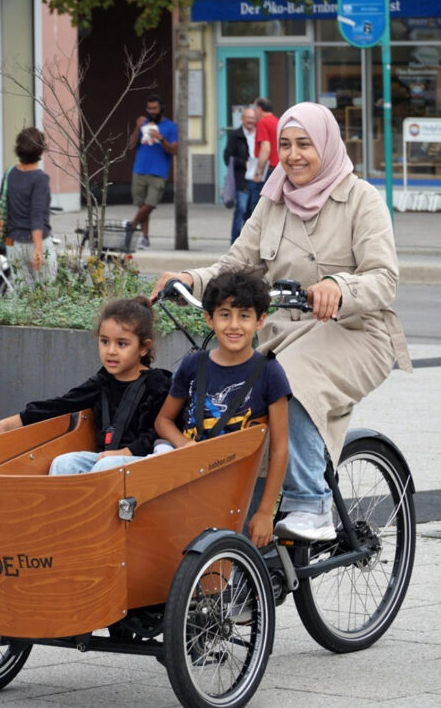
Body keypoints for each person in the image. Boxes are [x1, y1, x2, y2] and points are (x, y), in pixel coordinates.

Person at [151, 101, 412, 542]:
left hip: (357, 333)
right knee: (229, 396)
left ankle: (310, 503)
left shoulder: (362, 200)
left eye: (305, 145)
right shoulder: (273, 201)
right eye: (285, 145)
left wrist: (338, 287)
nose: (293, 155)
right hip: (286, 331)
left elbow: (384, 279)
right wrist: (190, 279)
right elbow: (236, 265)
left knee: (285, 382)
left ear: (326, 146)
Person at [154, 272, 290, 549]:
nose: (234, 325)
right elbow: (164, 420)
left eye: (244, 315)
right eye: (225, 314)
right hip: (190, 476)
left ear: (260, 320)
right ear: (209, 318)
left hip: (239, 485)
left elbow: (279, 448)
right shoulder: (193, 365)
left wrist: (265, 512)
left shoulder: (270, 373)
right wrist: (182, 444)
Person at [0, 296, 171, 475]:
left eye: (122, 344)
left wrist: (124, 452)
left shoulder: (156, 383)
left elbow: (160, 430)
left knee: (105, 466)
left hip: (142, 462)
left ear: (144, 348)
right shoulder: (102, 382)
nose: (111, 351)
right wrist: (5, 426)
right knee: (63, 463)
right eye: (104, 341)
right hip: (105, 460)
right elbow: (59, 405)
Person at [3, 126, 57, 284]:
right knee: (46, 297)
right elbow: (37, 214)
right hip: (36, 244)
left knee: (23, 298)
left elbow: (2, 207)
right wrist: (39, 250)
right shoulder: (40, 179)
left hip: (14, 245)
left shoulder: (10, 174)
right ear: (40, 151)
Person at [129, 94, 178, 250]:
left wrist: (161, 138)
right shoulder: (144, 124)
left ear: (161, 108)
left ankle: (131, 226)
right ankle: (144, 238)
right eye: (149, 108)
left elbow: (174, 150)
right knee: (142, 206)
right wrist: (137, 127)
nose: (152, 111)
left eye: (155, 108)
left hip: (159, 172)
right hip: (140, 169)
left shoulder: (170, 127)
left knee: (149, 204)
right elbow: (131, 145)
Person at [224, 107, 257, 243]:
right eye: (247, 118)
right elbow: (227, 157)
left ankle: (247, 244)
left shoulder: (259, 133)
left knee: (252, 213)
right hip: (241, 178)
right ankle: (234, 242)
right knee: (241, 209)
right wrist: (243, 163)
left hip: (256, 178)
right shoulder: (236, 135)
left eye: (253, 118)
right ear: (242, 119)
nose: (250, 121)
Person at [247, 97, 279, 220]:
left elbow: (265, 148)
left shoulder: (262, 123)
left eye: (254, 109)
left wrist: (258, 171)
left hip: (268, 170)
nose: (253, 113)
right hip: (277, 169)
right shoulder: (277, 121)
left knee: (258, 208)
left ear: (259, 109)